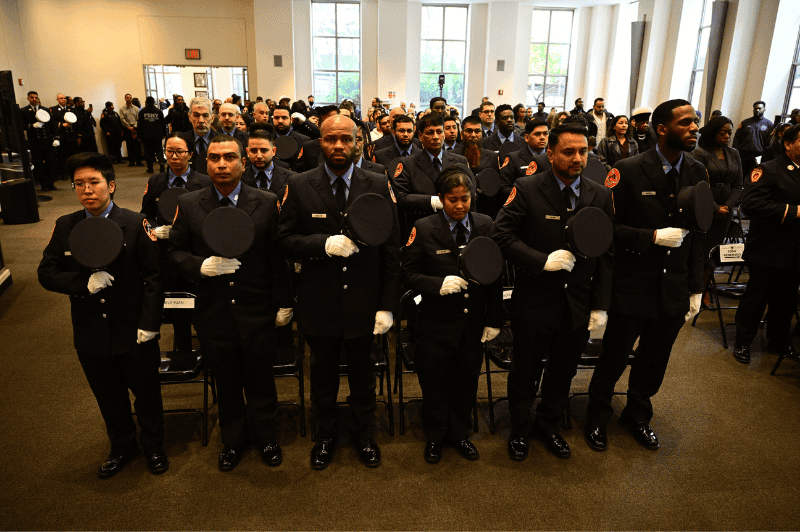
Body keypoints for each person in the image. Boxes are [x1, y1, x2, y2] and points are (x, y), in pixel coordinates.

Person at [276, 115, 400, 470]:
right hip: (320, 301)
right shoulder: (299, 184)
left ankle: (364, 434)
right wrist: (323, 244)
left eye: (346, 139)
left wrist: (387, 305)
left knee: (364, 375)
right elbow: (284, 240)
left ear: (358, 142)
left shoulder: (378, 182)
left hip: (364, 300)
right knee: (323, 376)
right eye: (331, 139)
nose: (339, 146)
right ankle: (326, 435)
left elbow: (391, 251)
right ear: (321, 142)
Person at [585, 99, 706, 452]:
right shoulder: (628, 169)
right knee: (615, 355)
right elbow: (606, 229)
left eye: (695, 122)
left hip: (673, 284)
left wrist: (696, 287)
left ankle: (637, 414)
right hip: (633, 283)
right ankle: (597, 415)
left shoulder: (697, 170)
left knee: (655, 357)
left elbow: (699, 232)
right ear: (662, 129)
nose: (694, 128)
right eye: (685, 123)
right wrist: (651, 237)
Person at [168, 136, 294, 472]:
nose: (221, 164)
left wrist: (284, 302)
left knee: (261, 380)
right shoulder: (189, 202)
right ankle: (233, 441)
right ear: (205, 162)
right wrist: (200, 266)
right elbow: (174, 253)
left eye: (229, 157)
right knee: (225, 382)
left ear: (243, 162)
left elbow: (277, 257)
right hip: (215, 310)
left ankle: (266, 437)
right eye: (214, 158)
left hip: (257, 309)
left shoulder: (265, 201)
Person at [38, 152, 167, 478]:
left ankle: (154, 446)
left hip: (134, 330)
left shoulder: (136, 223)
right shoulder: (66, 226)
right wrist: (82, 283)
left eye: (94, 182)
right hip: (91, 330)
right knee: (108, 396)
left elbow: (155, 278)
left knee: (146, 394)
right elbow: (46, 273)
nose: (87, 190)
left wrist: (150, 324)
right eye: (79, 184)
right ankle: (122, 446)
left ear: (110, 185)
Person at [491, 120, 614, 461]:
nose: (577, 158)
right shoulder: (527, 187)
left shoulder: (600, 194)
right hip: (535, 299)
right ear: (550, 152)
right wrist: (540, 260)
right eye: (568, 151)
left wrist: (600, 304)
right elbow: (501, 235)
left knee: (563, 372)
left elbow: (606, 253)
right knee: (525, 372)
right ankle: (519, 429)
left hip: (577, 302)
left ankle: (549, 425)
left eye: (583, 151)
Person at [400, 166, 503, 463]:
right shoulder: (424, 227)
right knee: (434, 383)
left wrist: (494, 319)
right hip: (435, 322)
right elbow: (407, 273)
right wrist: (436, 284)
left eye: (464, 199)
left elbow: (494, 275)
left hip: (472, 322)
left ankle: (460, 434)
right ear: (441, 198)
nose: (459, 206)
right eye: (452, 200)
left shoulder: (485, 224)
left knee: (465, 382)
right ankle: (435, 436)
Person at [731, 124, 800, 364]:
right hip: (768, 248)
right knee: (757, 298)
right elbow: (751, 204)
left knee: (786, 300)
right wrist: (794, 211)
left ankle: (778, 342)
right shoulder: (767, 170)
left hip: (795, 250)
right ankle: (743, 342)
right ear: (788, 144)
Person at [392, 113, 474, 235]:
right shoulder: (408, 164)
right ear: (420, 136)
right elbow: (399, 197)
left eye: (439, 132)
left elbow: (471, 195)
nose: (435, 137)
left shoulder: (459, 161)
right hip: (423, 228)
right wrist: (432, 201)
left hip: (456, 228)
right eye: (430, 132)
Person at [691, 115, 743, 304]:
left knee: (714, 252)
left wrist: (728, 205)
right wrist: (714, 207)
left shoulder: (734, 153)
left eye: (730, 133)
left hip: (726, 210)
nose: (727, 136)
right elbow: (697, 184)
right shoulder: (700, 154)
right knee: (700, 251)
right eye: (723, 133)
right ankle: (696, 288)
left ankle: (705, 286)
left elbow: (738, 184)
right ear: (713, 133)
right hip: (705, 206)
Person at [499, 119, 551, 199]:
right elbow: (504, 187)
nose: (542, 137)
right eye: (537, 134)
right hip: (523, 202)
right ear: (526, 138)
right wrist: (526, 196)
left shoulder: (554, 157)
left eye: (545, 134)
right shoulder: (513, 158)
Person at [240, 123, 293, 197]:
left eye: (264, 150)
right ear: (247, 152)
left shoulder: (291, 178)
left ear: (273, 151)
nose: (259, 156)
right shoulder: (238, 177)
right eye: (254, 151)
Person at [20, 90, 58, 190]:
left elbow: (52, 124)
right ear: (28, 98)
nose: (34, 99)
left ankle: (51, 182)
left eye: (36, 97)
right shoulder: (23, 111)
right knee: (39, 163)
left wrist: (56, 137)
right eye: (32, 97)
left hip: (47, 140)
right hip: (35, 141)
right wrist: (31, 126)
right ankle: (43, 183)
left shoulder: (45, 109)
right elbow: (20, 125)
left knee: (50, 162)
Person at [178, 97, 219, 176]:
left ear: (212, 118)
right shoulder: (181, 141)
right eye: (196, 115)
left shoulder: (223, 141)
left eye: (205, 115)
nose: (201, 120)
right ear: (190, 117)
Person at [733, 101, 774, 178]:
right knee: (740, 176)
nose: (757, 110)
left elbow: (769, 142)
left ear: (764, 109)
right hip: (743, 155)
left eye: (759, 108)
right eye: (755, 109)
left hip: (758, 156)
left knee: (754, 177)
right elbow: (737, 139)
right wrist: (735, 154)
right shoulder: (745, 123)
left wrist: (765, 157)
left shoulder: (769, 125)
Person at [51, 93, 80, 178]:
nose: (63, 100)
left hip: (72, 136)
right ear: (57, 100)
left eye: (64, 98)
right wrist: (61, 125)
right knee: (63, 156)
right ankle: (64, 173)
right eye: (61, 98)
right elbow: (52, 123)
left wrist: (79, 135)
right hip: (62, 137)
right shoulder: (54, 110)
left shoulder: (71, 109)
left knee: (74, 155)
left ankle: (75, 171)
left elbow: (77, 123)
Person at [137, 96, 166, 174]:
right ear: (154, 102)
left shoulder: (142, 112)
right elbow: (163, 123)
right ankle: (161, 164)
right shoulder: (158, 111)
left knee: (148, 152)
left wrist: (139, 135)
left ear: (146, 102)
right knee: (159, 150)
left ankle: (150, 168)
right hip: (157, 134)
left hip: (146, 135)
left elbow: (140, 124)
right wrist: (164, 134)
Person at [119, 94, 143, 167]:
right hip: (127, 129)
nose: (129, 99)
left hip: (135, 128)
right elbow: (122, 119)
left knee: (138, 145)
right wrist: (129, 127)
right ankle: (131, 161)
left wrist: (134, 127)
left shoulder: (136, 108)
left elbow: (138, 118)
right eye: (127, 98)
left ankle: (139, 161)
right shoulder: (122, 109)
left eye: (130, 98)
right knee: (130, 145)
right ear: (125, 99)